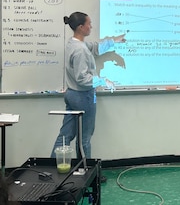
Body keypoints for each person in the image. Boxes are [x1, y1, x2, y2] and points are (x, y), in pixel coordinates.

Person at [51, 12, 126, 161]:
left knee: (66, 135)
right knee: (85, 137)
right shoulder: (80, 50)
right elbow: (82, 78)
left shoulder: (74, 43)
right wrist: (103, 81)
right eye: (89, 24)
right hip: (83, 96)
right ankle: (87, 171)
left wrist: (114, 41)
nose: (91, 26)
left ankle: (50, 168)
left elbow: (95, 47)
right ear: (81, 27)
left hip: (72, 95)